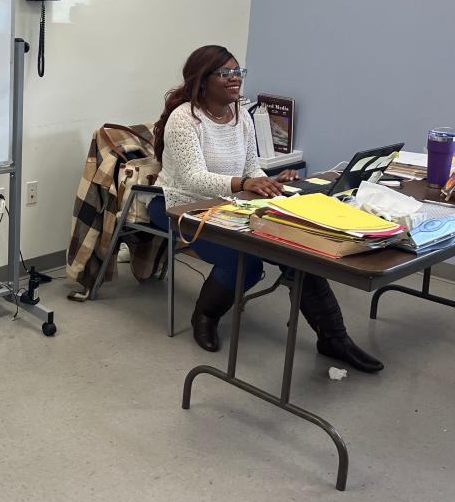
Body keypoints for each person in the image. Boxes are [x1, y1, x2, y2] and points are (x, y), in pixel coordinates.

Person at [148, 45, 383, 373]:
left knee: (299, 252)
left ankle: (334, 338)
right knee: (245, 261)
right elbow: (193, 178)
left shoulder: (241, 116)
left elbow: (251, 168)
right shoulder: (184, 118)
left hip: (233, 206)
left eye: (238, 72)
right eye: (225, 73)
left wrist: (272, 181)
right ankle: (206, 315)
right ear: (202, 80)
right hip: (182, 207)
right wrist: (245, 184)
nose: (235, 80)